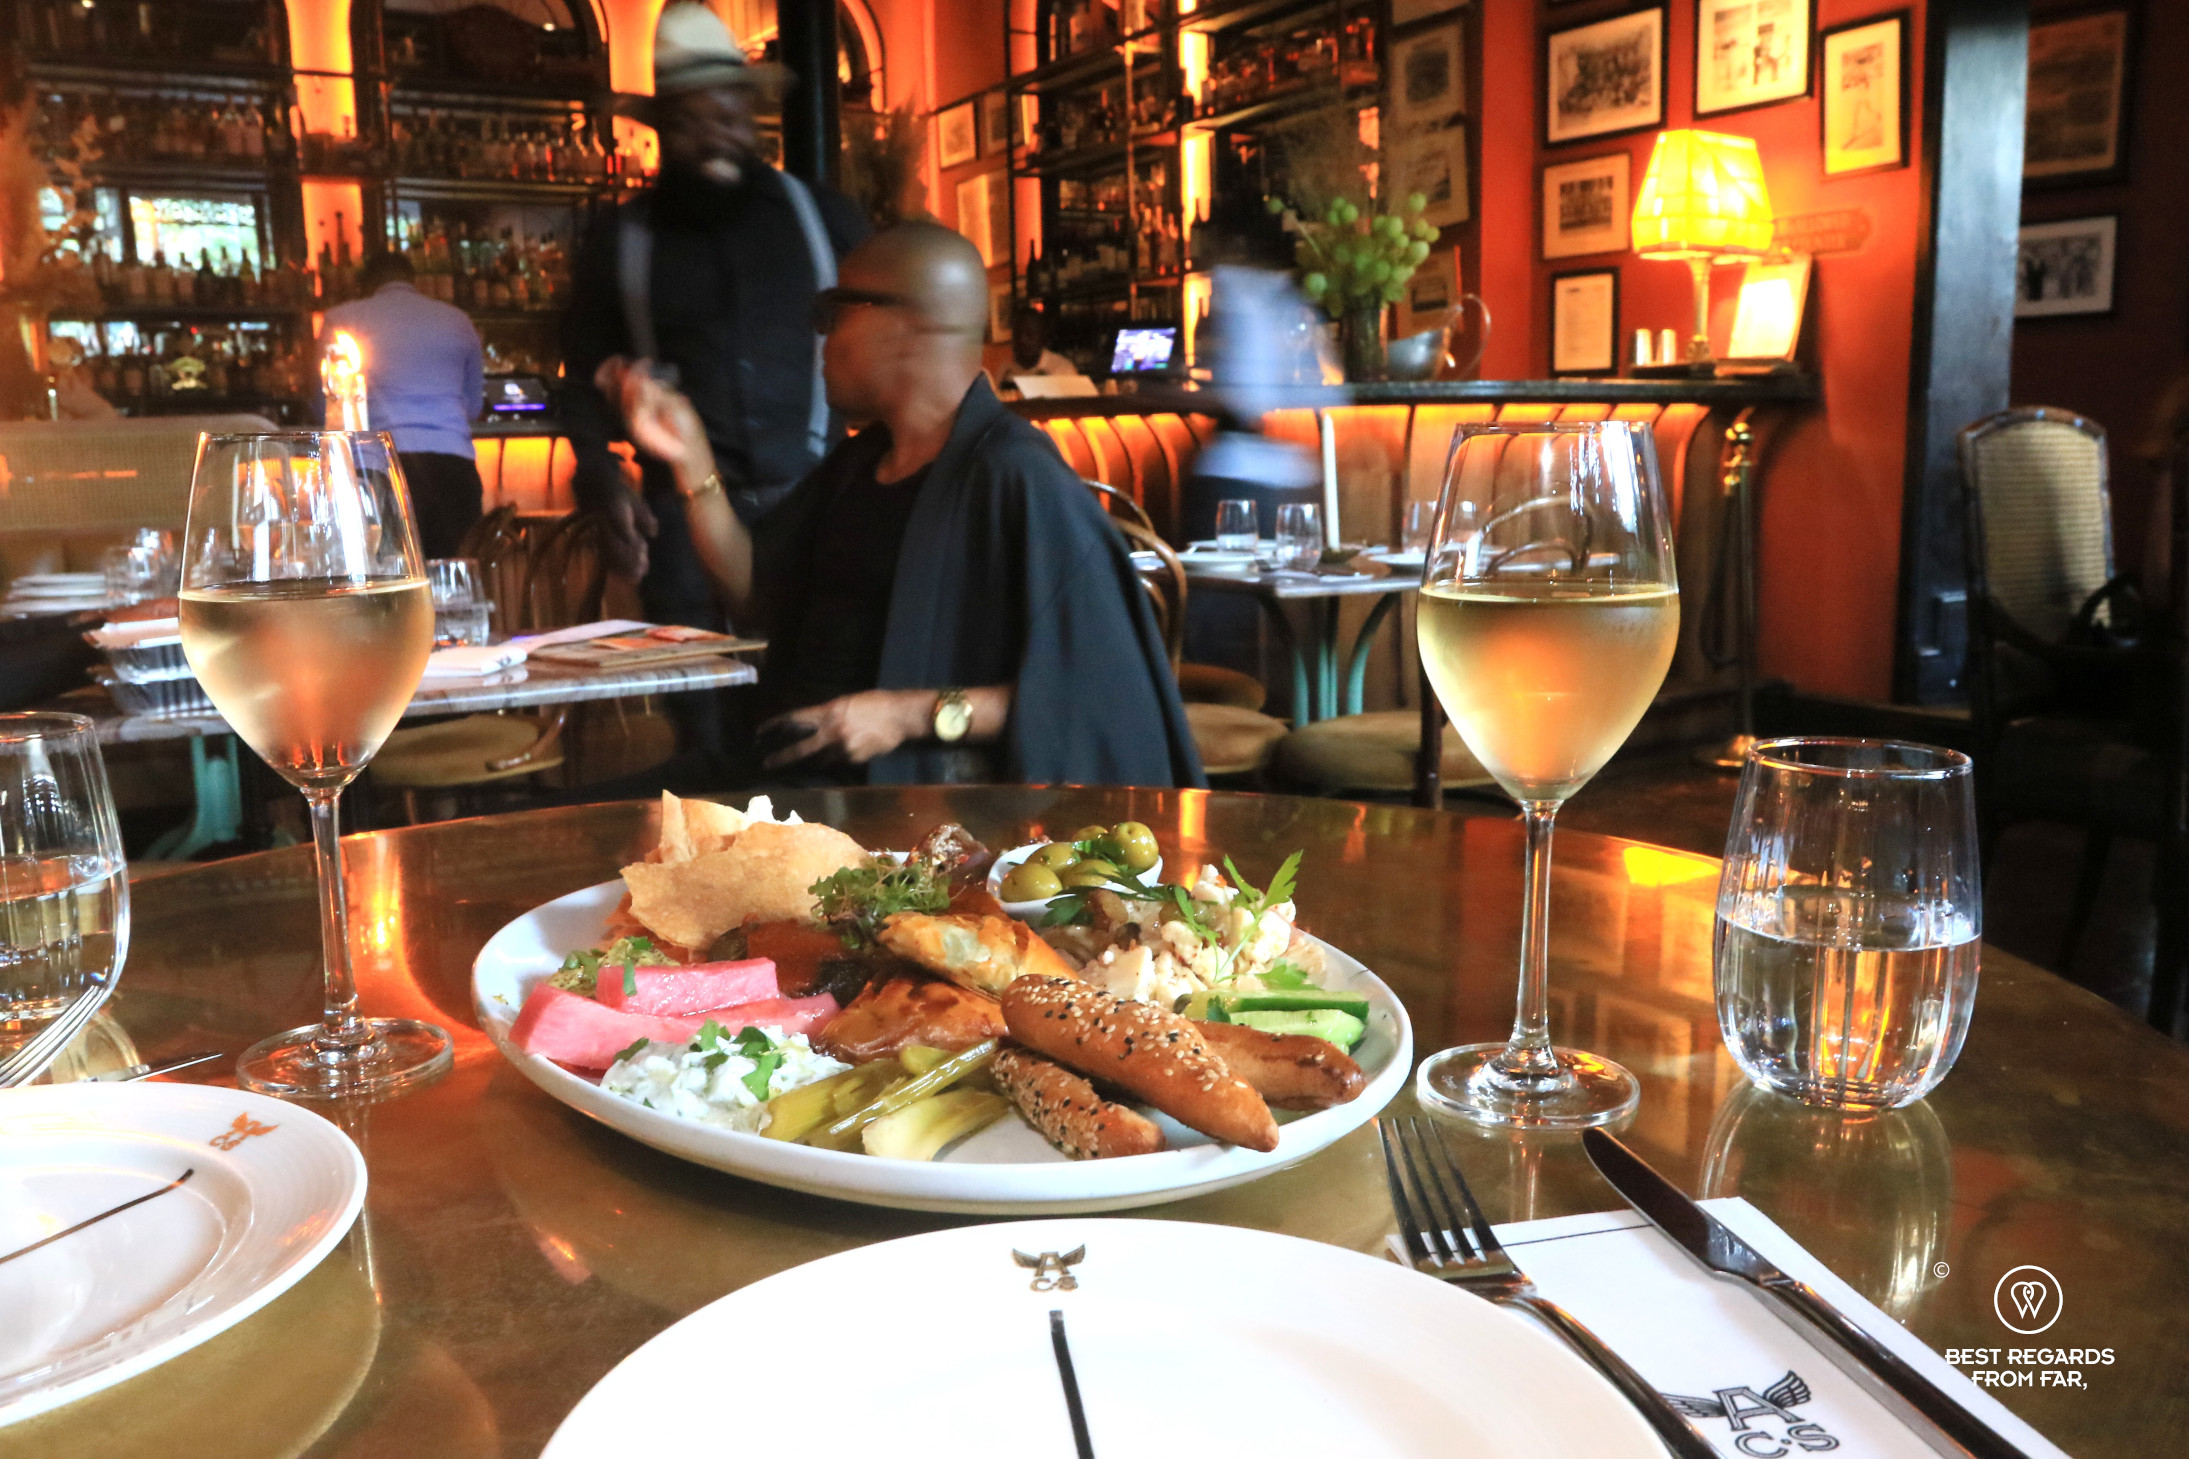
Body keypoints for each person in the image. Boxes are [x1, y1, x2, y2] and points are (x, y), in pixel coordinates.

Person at [599, 221, 1204, 788]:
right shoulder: (860, 463)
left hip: (885, 806)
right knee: (558, 826)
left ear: (904, 328)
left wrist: (908, 715)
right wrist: (691, 459)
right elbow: (754, 593)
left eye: (833, 314)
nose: (821, 339)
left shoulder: (1014, 475)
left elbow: (1101, 696)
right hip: (771, 768)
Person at [560, 1, 870, 630]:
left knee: (813, 708)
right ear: (659, 129)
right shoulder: (620, 239)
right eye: (687, 122)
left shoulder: (826, 219)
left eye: (726, 116)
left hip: (819, 512)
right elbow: (581, 376)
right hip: (679, 533)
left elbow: (889, 342)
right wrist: (598, 472)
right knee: (704, 720)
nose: (712, 136)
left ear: (751, 114)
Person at [320, 252, 484, 557]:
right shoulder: (457, 319)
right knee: (453, 579)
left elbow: (327, 404)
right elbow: (474, 406)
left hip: (377, 467)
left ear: (366, 284)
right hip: (454, 465)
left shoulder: (342, 320)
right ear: (415, 281)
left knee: (389, 580)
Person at [998, 304, 1077, 386]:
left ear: (1043, 337)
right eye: (1017, 334)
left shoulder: (1062, 370)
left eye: (1030, 334)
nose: (1023, 340)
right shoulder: (1005, 371)